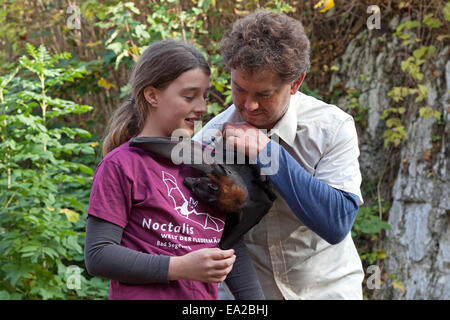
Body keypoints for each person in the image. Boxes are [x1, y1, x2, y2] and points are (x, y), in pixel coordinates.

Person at [194, 10, 365, 299]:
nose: (248, 105)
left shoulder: (331, 128)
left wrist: (267, 152)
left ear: (296, 83)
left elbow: (336, 223)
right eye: (239, 88)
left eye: (264, 94)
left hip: (327, 290)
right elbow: (215, 238)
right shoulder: (209, 140)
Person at [84, 39, 264, 300]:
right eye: (189, 96)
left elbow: (229, 244)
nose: (202, 108)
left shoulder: (207, 163)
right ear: (152, 95)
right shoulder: (121, 165)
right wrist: (178, 267)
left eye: (204, 96)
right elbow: (99, 255)